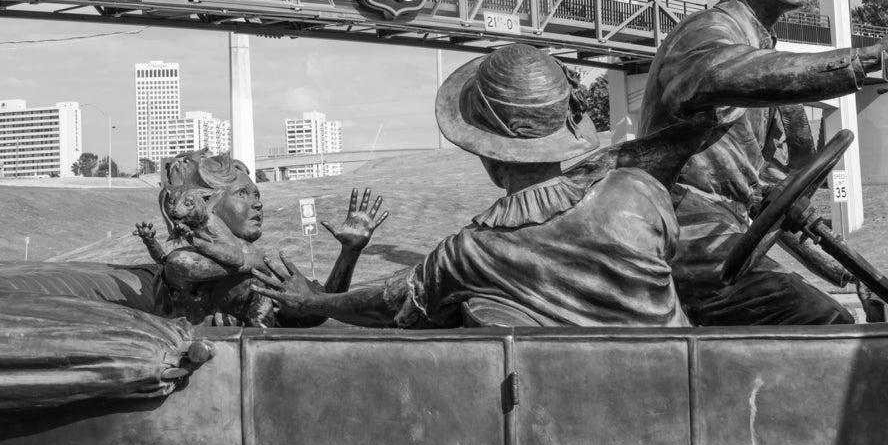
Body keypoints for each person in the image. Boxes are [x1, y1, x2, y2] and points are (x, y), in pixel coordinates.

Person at [252, 44, 687, 328]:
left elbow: (388, 303)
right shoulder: (641, 192)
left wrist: (312, 300)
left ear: (490, 156)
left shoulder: (475, 251)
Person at [639, 0, 888, 326]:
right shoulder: (707, 34)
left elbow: (749, 172)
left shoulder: (758, 44)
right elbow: (730, 72)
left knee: (838, 312)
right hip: (684, 230)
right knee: (827, 324)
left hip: (722, 229)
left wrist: (842, 267)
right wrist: (866, 60)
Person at [137, 150, 388, 327]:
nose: (257, 203)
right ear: (207, 203)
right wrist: (257, 260)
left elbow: (315, 309)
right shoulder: (182, 262)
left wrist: (349, 253)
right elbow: (234, 260)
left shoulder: (256, 267)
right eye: (242, 194)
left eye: (256, 195)